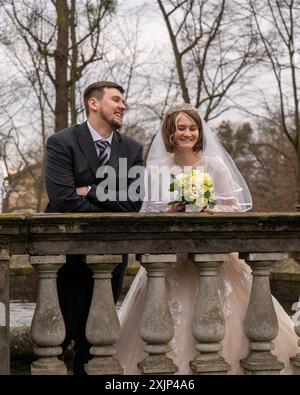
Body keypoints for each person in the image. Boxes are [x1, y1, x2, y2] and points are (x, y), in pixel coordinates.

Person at [116, 103, 299, 374]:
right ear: (170, 132)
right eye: (181, 128)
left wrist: (206, 207)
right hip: (171, 262)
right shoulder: (155, 169)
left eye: (192, 128)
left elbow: (234, 207)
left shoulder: (214, 165)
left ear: (199, 133)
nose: (187, 133)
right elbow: (147, 212)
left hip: (215, 259)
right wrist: (171, 210)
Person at [45, 81, 144, 375]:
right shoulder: (62, 142)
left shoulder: (132, 149)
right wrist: (111, 197)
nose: (122, 105)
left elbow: (133, 204)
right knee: (58, 338)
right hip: (66, 256)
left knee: (95, 345)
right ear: (93, 103)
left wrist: (87, 189)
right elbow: (62, 199)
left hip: (111, 257)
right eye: (116, 99)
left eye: (123, 100)